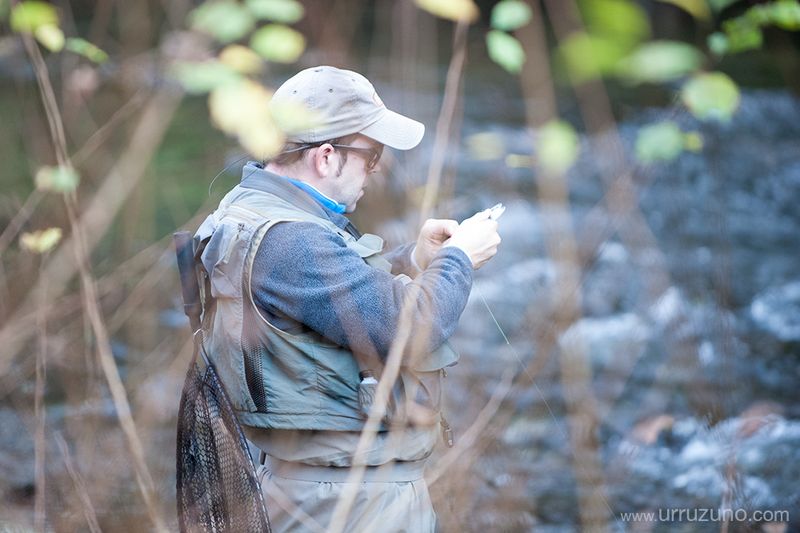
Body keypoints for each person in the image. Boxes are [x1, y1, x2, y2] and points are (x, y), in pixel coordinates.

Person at [194, 65, 501, 532]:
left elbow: (326, 302)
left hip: (314, 492)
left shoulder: (252, 212)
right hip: (347, 507)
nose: (374, 172)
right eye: (372, 156)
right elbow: (411, 330)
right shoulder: (293, 242)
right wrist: (457, 259)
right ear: (324, 156)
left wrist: (414, 258)